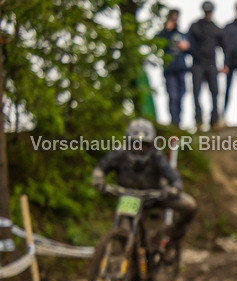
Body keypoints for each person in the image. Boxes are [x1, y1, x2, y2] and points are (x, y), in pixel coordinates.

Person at [91, 119, 197, 251]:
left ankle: (173, 233)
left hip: (156, 197)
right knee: (126, 235)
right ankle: (132, 262)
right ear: (128, 143)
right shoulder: (119, 154)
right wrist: (99, 179)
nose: (139, 149)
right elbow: (100, 168)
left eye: (143, 145)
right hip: (129, 199)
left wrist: (174, 189)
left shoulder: (156, 157)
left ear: (151, 145)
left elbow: (173, 176)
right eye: (135, 144)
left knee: (189, 205)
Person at [188, 1, 226, 130]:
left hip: (211, 64)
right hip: (198, 64)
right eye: (206, 11)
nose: (208, 13)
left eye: (210, 11)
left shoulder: (215, 28)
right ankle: (198, 121)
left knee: (214, 92)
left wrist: (226, 64)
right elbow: (188, 43)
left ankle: (214, 120)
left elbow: (225, 45)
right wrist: (193, 52)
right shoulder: (195, 26)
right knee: (196, 92)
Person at [156, 9, 191, 129]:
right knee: (173, 96)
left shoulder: (182, 35)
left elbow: (191, 50)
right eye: (173, 17)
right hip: (170, 70)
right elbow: (157, 43)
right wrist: (167, 30)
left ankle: (178, 121)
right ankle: (174, 122)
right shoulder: (164, 34)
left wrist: (187, 47)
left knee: (181, 95)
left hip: (181, 69)